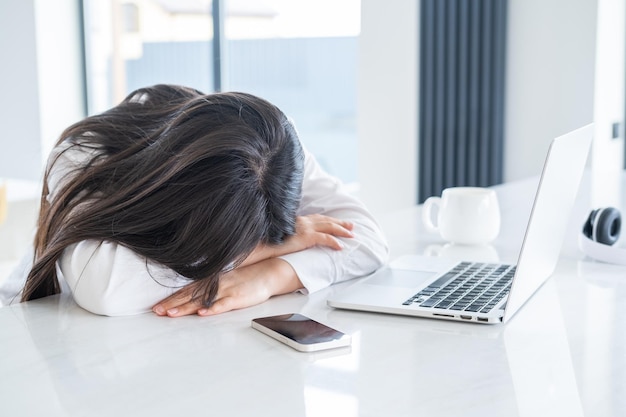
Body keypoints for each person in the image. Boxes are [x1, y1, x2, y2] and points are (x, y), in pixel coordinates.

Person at [5, 84, 388, 317]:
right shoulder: (85, 155)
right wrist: (267, 247)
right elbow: (105, 288)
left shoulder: (271, 151)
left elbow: (368, 240)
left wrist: (272, 276)